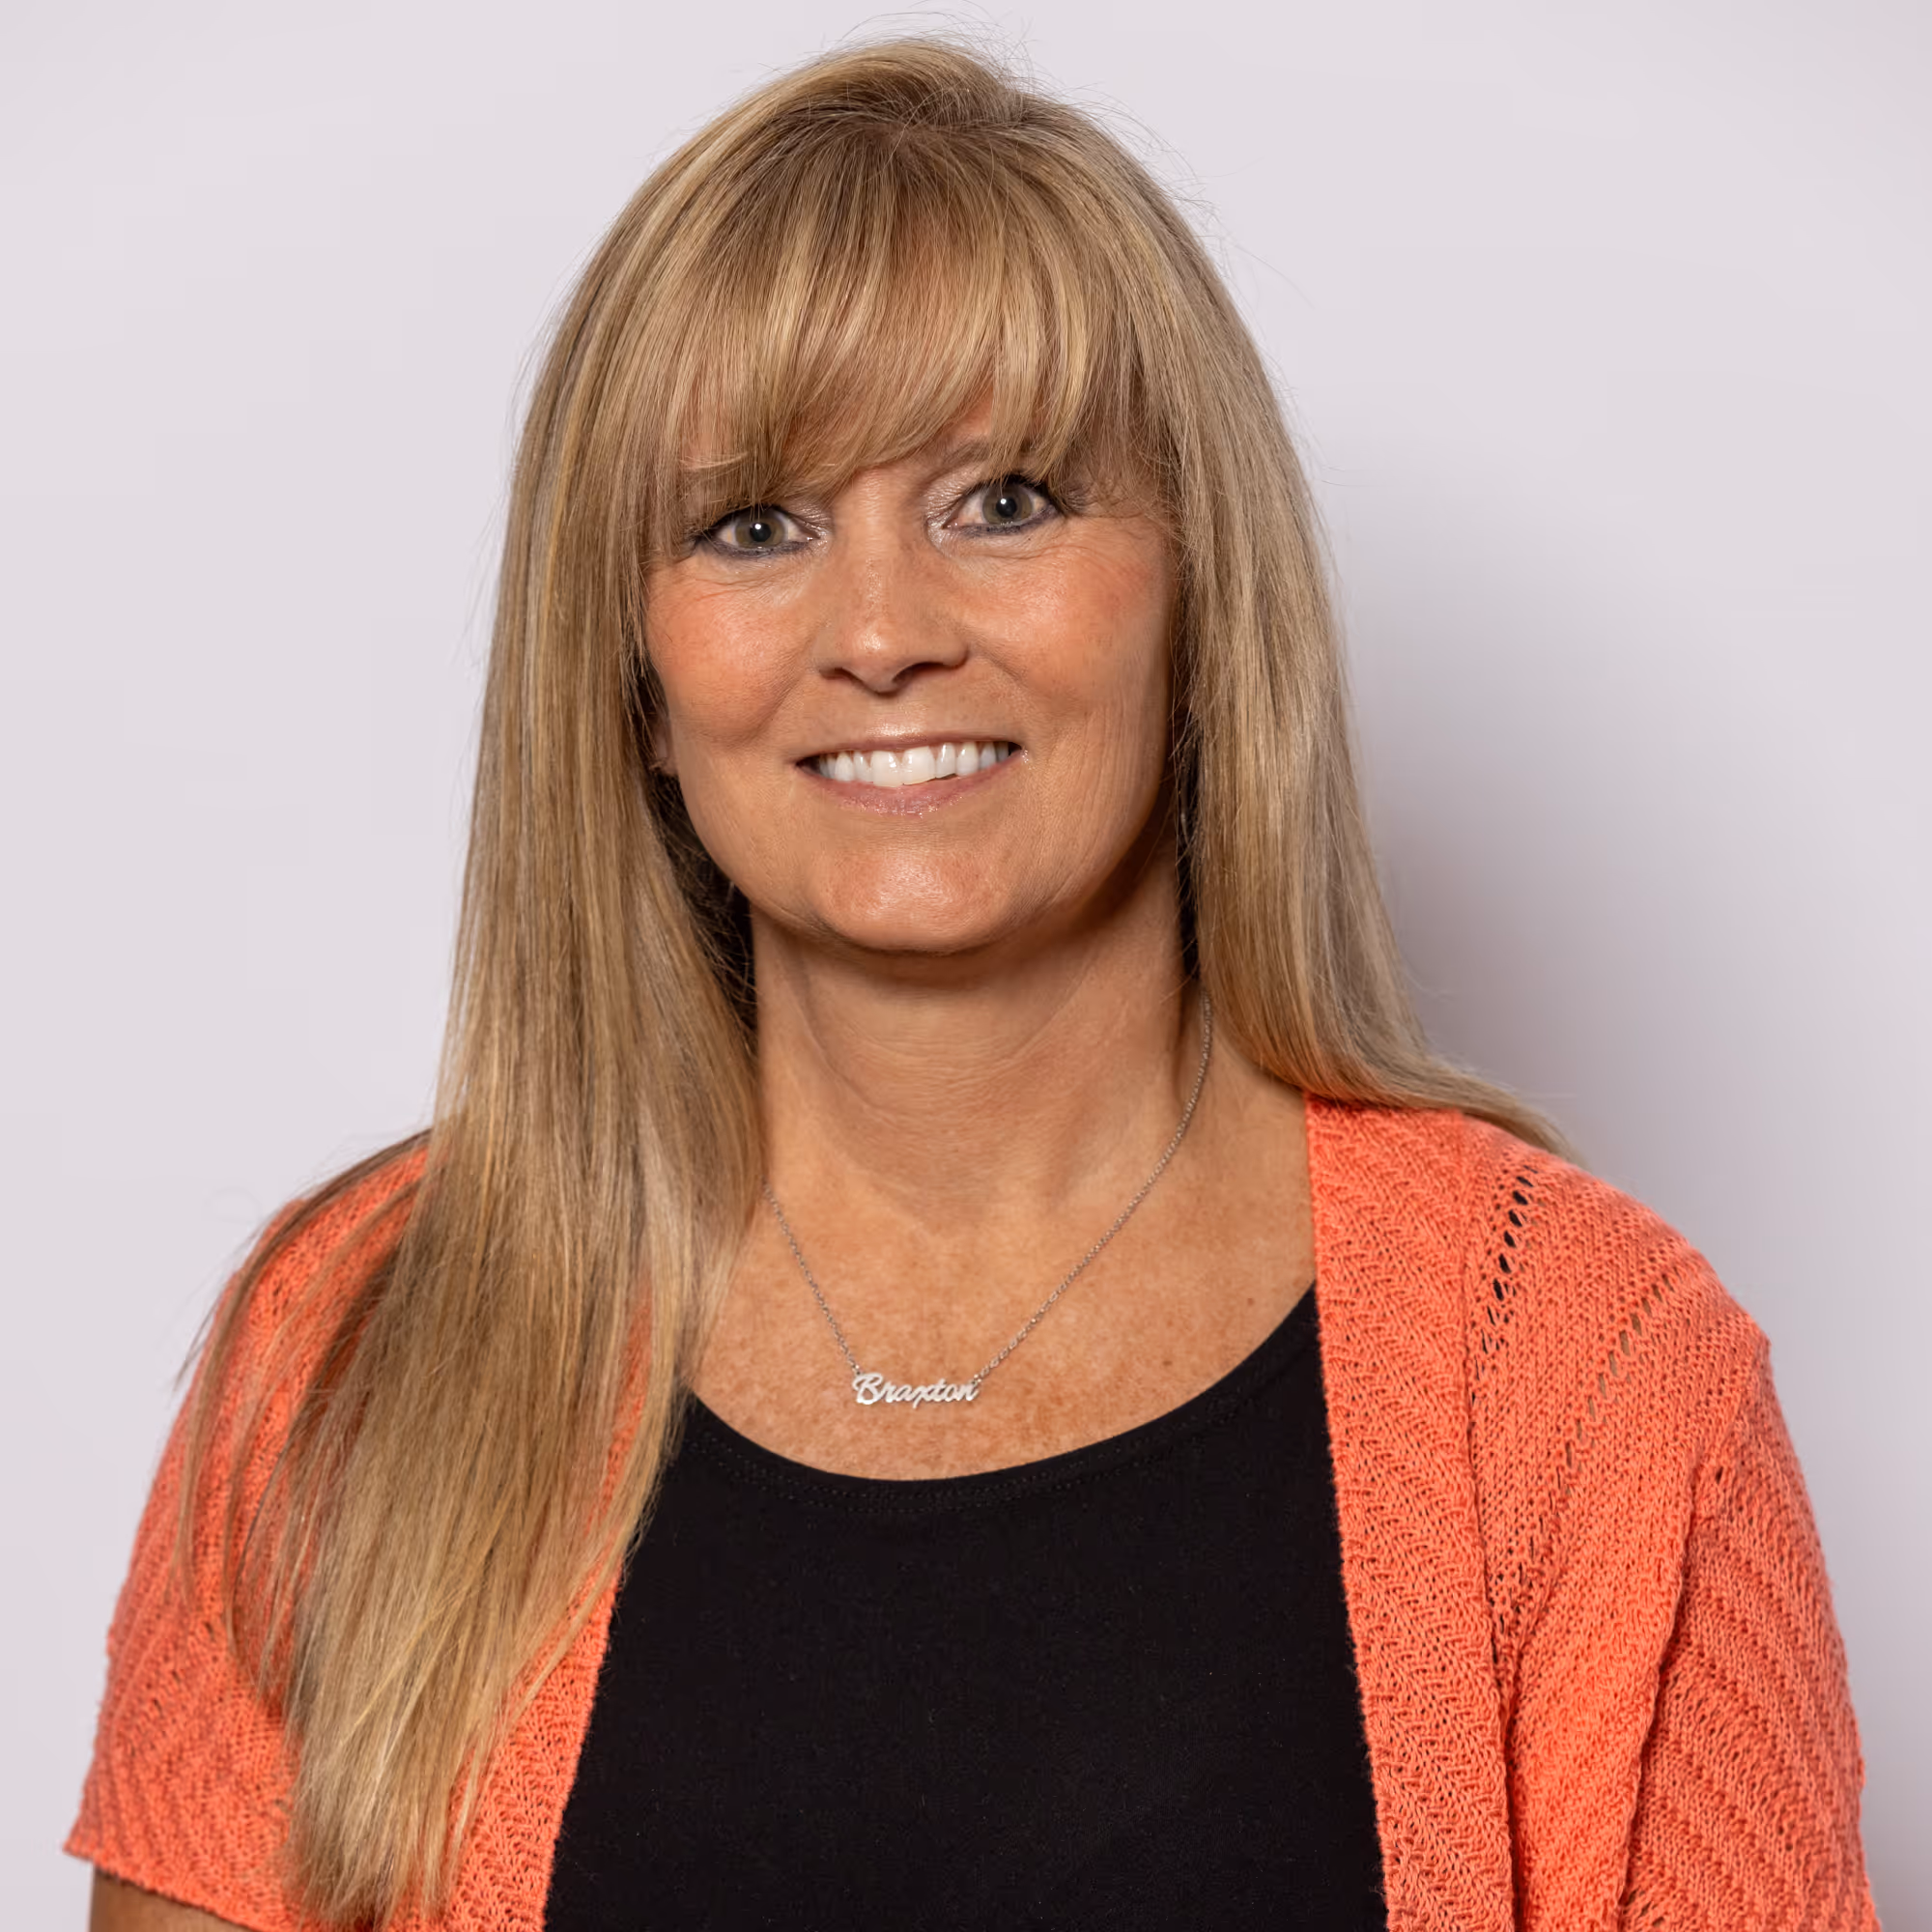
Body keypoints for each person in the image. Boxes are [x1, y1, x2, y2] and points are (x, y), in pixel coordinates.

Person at [73, 38, 1876, 1932]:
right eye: (752, 525)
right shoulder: (369, 1342)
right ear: (634, 682)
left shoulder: (1589, 1370)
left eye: (1002, 499)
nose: (880, 633)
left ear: (1196, 596)